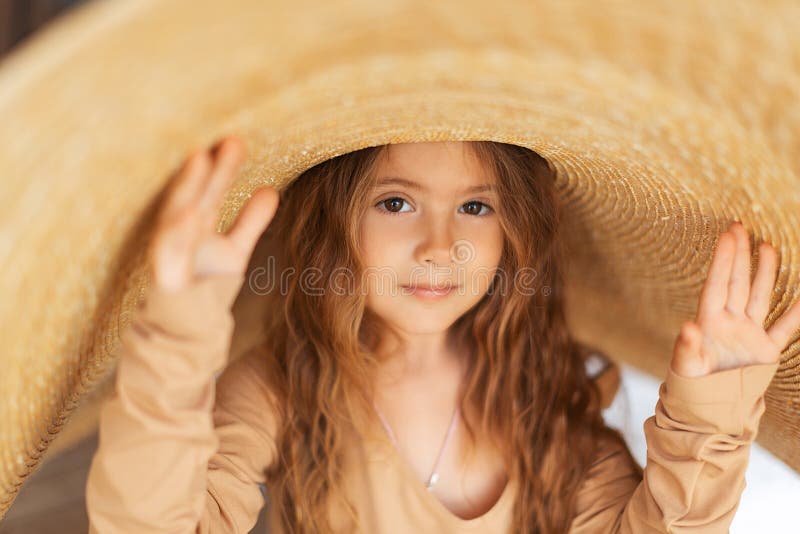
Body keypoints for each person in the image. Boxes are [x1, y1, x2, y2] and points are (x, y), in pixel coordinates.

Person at [85, 136, 795, 533]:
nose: (438, 246)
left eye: (476, 207)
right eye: (396, 202)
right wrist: (177, 336)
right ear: (336, 225)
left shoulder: (553, 392)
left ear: (514, 234)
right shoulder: (281, 384)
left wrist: (708, 423)